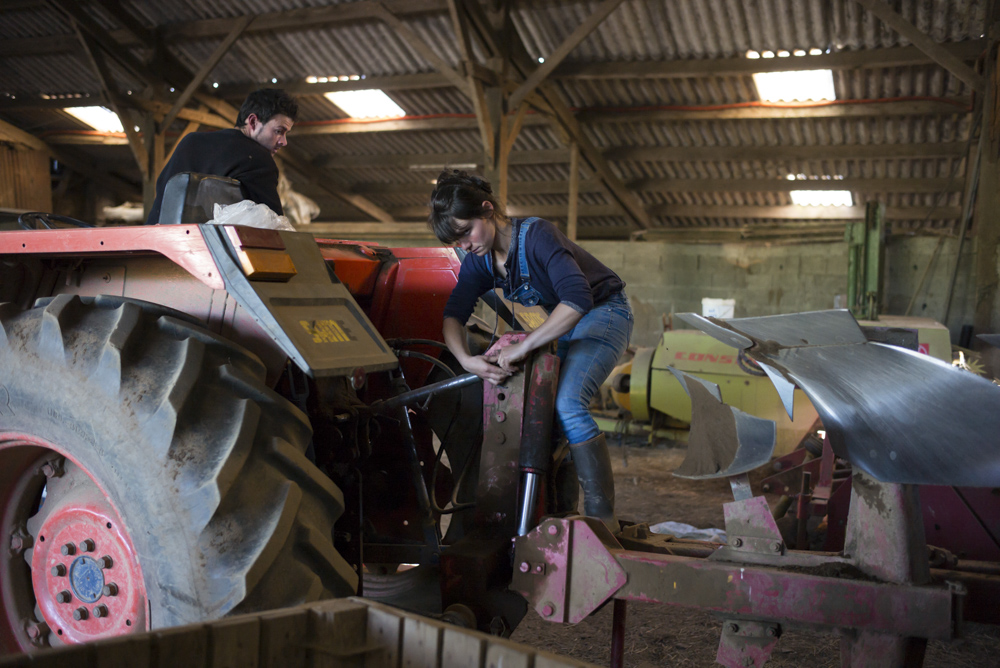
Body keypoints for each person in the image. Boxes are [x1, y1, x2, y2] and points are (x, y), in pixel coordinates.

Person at [428, 170, 633, 533]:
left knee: (569, 404)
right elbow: (453, 315)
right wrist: (466, 360)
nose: (464, 245)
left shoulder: (537, 235)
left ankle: (604, 523)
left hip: (605, 311)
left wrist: (527, 343)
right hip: (568, 320)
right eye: (455, 240)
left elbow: (578, 299)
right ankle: (560, 516)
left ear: (487, 210)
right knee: (546, 417)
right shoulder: (480, 259)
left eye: (465, 232)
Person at [146, 88, 297, 225]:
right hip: (204, 251)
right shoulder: (259, 159)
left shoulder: (190, 142)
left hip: (153, 247)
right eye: (279, 131)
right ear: (252, 122)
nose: (283, 142)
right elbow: (275, 225)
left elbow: (162, 195)